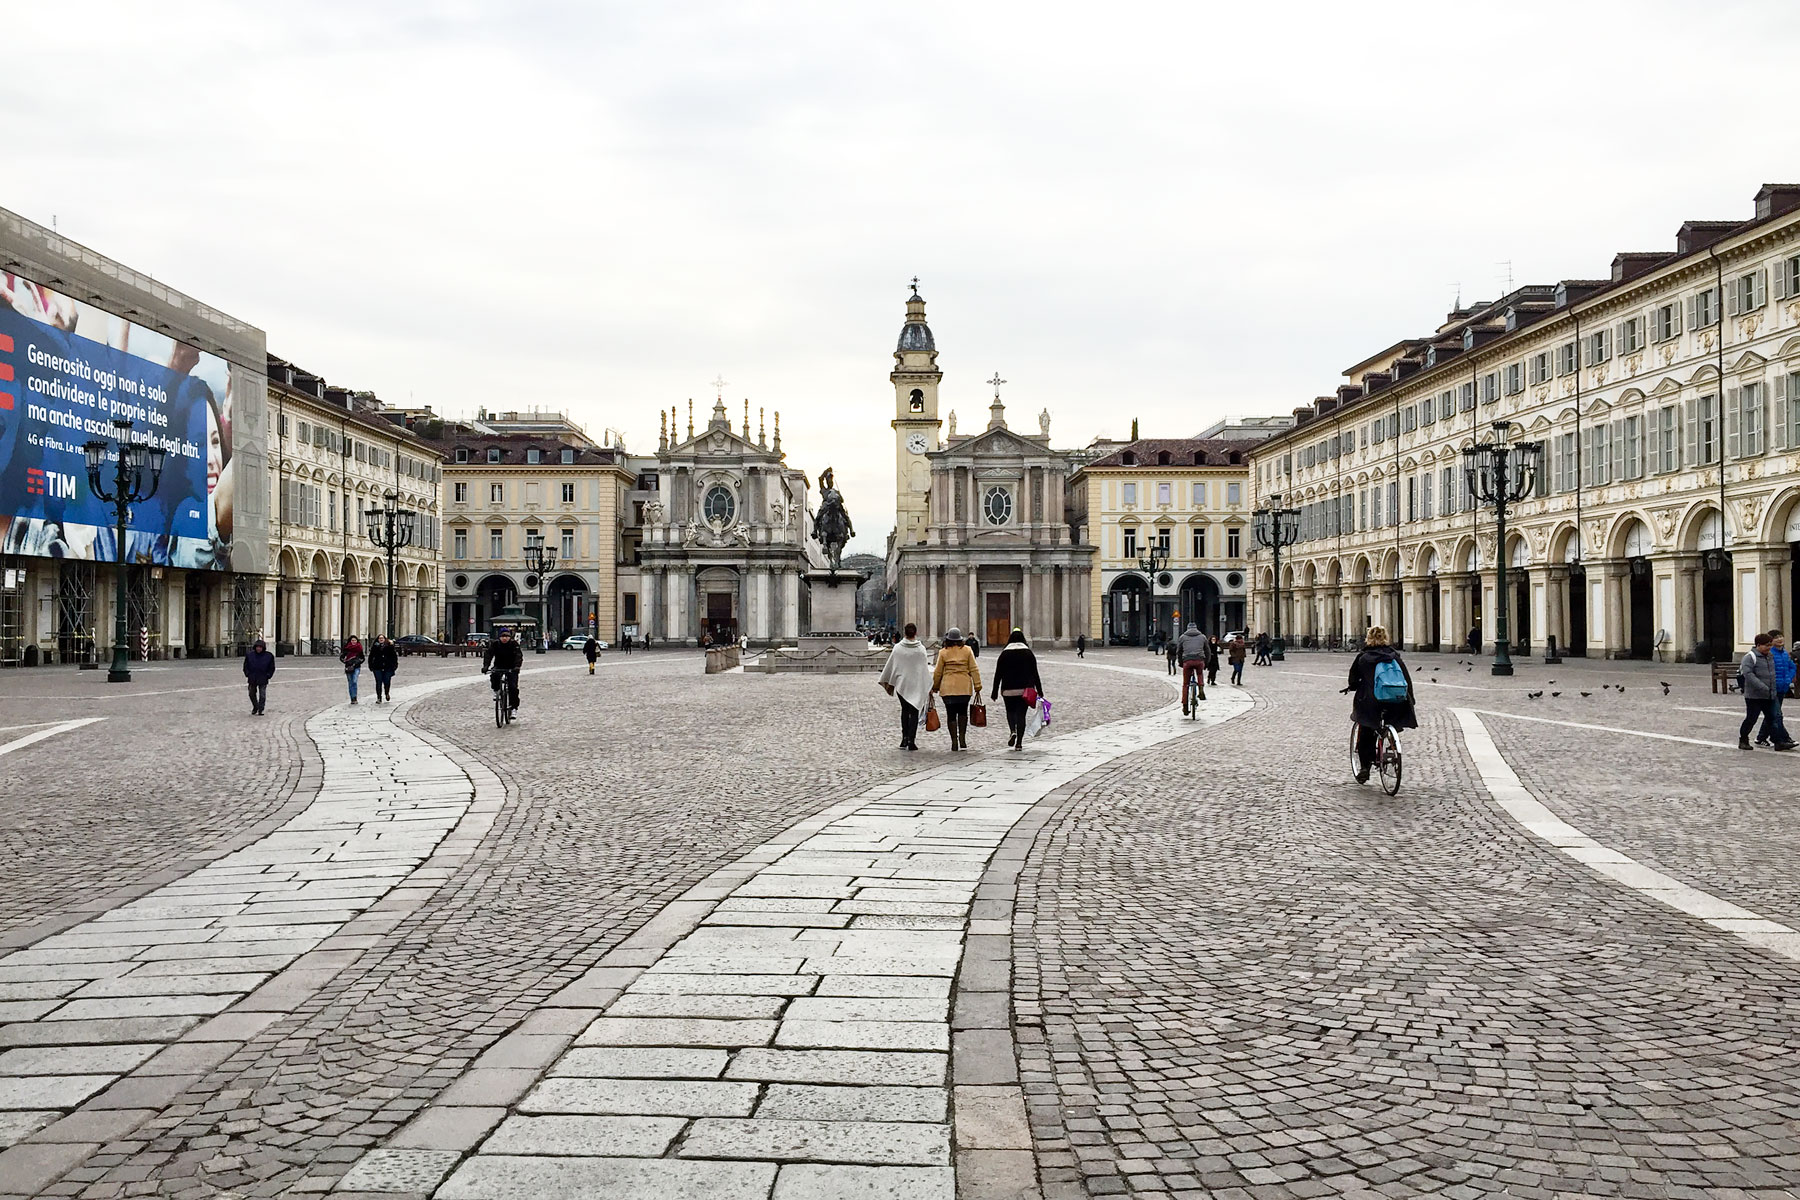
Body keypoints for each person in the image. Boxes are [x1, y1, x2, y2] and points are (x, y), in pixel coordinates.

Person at [1347, 625, 1417, 783]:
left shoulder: (1363, 658)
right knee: (1391, 721)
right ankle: (1392, 742)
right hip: (1395, 700)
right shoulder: (1394, 656)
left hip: (1371, 702)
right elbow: (1406, 678)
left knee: (1366, 728)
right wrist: (1410, 699)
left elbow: (1353, 679)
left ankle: (1365, 768)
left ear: (1368, 638)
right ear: (1386, 637)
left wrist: (1353, 686)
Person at [990, 628, 1045, 751]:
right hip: (1024, 690)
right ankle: (1019, 743)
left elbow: (998, 674)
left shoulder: (1004, 654)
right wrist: (1040, 690)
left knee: (1010, 712)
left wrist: (994, 691)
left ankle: (1012, 731)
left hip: (1008, 690)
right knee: (1021, 715)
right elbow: (1035, 673)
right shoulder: (1028, 653)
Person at [879, 623, 931, 750]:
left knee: (905, 710)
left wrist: (891, 681)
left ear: (905, 633)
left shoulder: (898, 648)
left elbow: (892, 665)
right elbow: (924, 668)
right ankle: (911, 740)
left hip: (902, 684)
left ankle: (904, 738)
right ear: (915, 633)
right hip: (916, 684)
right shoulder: (921, 649)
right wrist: (928, 684)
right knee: (914, 711)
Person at [930, 627, 981, 752]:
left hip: (948, 688)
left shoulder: (943, 652)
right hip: (964, 686)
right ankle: (962, 737)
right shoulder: (967, 650)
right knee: (963, 712)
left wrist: (935, 686)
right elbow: (974, 669)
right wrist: (977, 685)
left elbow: (938, 672)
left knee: (951, 714)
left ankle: (954, 741)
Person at [1739, 632, 1782, 750]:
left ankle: (1778, 742)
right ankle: (1743, 740)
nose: (1769, 648)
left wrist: (1773, 688)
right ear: (1758, 645)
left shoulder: (1770, 656)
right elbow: (1748, 674)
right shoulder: (1750, 657)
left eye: (1770, 645)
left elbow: (1772, 674)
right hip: (1754, 696)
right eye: (1766, 645)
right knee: (1751, 719)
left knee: (1772, 719)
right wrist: (1762, 687)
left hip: (1769, 694)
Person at [1763, 630, 1796, 749]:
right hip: (1772, 688)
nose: (1779, 639)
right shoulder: (1769, 654)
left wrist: (1788, 679)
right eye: (1776, 637)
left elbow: (1792, 667)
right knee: (1777, 715)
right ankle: (1782, 739)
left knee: (1772, 714)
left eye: (1781, 636)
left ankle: (1761, 737)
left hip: (1783, 687)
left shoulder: (1785, 654)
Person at [483, 628, 525, 716]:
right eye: (502, 636)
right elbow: (488, 655)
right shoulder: (495, 644)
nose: (505, 638)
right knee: (494, 676)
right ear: (499, 637)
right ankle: (496, 690)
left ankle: (514, 708)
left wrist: (517, 666)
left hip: (512, 667)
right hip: (499, 666)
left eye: (507, 636)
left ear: (510, 637)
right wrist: (486, 666)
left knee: (513, 687)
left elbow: (518, 656)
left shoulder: (514, 644)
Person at [1174, 623, 1211, 714]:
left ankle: (1185, 706)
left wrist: (1181, 662)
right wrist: (1206, 663)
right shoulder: (1202, 637)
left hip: (1187, 661)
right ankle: (1201, 687)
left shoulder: (1182, 637)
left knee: (1185, 684)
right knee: (1199, 673)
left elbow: (1179, 651)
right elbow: (1207, 651)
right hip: (1199, 660)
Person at [243, 637, 275, 716]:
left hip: (263, 677)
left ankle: (261, 709)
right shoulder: (250, 655)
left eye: (260, 647)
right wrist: (247, 674)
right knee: (251, 693)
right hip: (252, 677)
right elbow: (245, 666)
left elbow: (272, 667)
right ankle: (255, 706)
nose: (258, 649)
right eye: (257, 647)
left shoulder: (269, 656)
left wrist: (268, 675)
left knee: (262, 695)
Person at [368, 635, 399, 704]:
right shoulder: (375, 647)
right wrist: (371, 665)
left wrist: (394, 666)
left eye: (382, 638)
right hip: (377, 667)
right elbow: (371, 656)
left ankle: (387, 693)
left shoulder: (390, 646)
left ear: (385, 639)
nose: (381, 639)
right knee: (378, 682)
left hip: (388, 667)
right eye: (380, 638)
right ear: (378, 639)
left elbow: (394, 657)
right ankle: (379, 697)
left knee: (387, 681)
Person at [341, 635, 366, 705]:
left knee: (354, 681)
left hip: (356, 667)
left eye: (355, 640)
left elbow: (362, 658)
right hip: (348, 667)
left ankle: (355, 697)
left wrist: (358, 662)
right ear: (350, 641)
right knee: (350, 683)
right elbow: (342, 657)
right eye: (352, 640)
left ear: (357, 641)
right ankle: (352, 698)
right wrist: (346, 661)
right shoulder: (347, 648)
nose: (353, 641)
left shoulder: (359, 648)